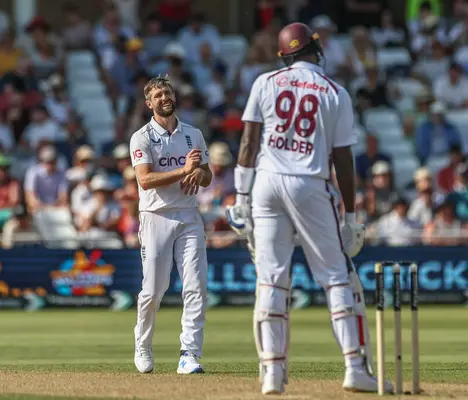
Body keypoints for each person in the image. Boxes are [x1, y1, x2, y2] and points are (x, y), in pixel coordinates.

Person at [226, 22, 393, 395]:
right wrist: (350, 217)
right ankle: (354, 367)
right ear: (316, 51)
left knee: (271, 278)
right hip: (310, 183)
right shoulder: (336, 91)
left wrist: (240, 198)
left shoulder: (265, 82)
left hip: (266, 184)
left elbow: (249, 143)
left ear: (285, 55)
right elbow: (343, 160)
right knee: (336, 277)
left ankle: (271, 372)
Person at [129, 75, 212, 375]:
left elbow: (207, 175)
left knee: (196, 287)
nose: (165, 98)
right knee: (153, 290)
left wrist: (198, 175)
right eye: (158, 95)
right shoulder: (142, 137)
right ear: (148, 103)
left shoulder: (193, 134)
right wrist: (183, 171)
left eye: (168, 92)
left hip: (189, 216)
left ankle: (189, 353)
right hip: (156, 217)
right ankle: (143, 344)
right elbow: (145, 179)